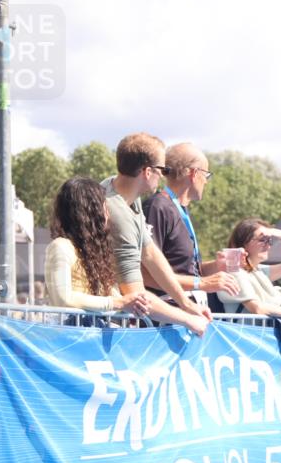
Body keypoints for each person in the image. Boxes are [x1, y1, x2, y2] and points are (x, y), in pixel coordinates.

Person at [45, 177, 208, 335]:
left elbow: (123, 298)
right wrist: (118, 303)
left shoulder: (95, 254)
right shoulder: (61, 246)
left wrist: (185, 318)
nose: (108, 212)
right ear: (91, 211)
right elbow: (63, 298)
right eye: (104, 205)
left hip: (93, 335)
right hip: (70, 337)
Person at [101, 133, 210, 325]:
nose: (163, 175)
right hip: (97, 319)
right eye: (162, 169)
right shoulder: (119, 216)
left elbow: (150, 253)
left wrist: (185, 303)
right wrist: (190, 320)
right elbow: (137, 295)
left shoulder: (120, 190)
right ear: (148, 171)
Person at [141, 142, 239, 303]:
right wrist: (201, 283)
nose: (206, 182)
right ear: (194, 173)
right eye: (206, 175)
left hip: (188, 312)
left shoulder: (179, 208)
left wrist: (216, 266)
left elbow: (186, 272)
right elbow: (145, 274)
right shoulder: (157, 207)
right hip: (165, 317)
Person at [217, 219, 281, 323]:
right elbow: (257, 308)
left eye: (269, 240)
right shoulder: (235, 273)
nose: (268, 245)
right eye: (262, 239)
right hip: (246, 336)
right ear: (244, 243)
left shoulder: (258, 271)